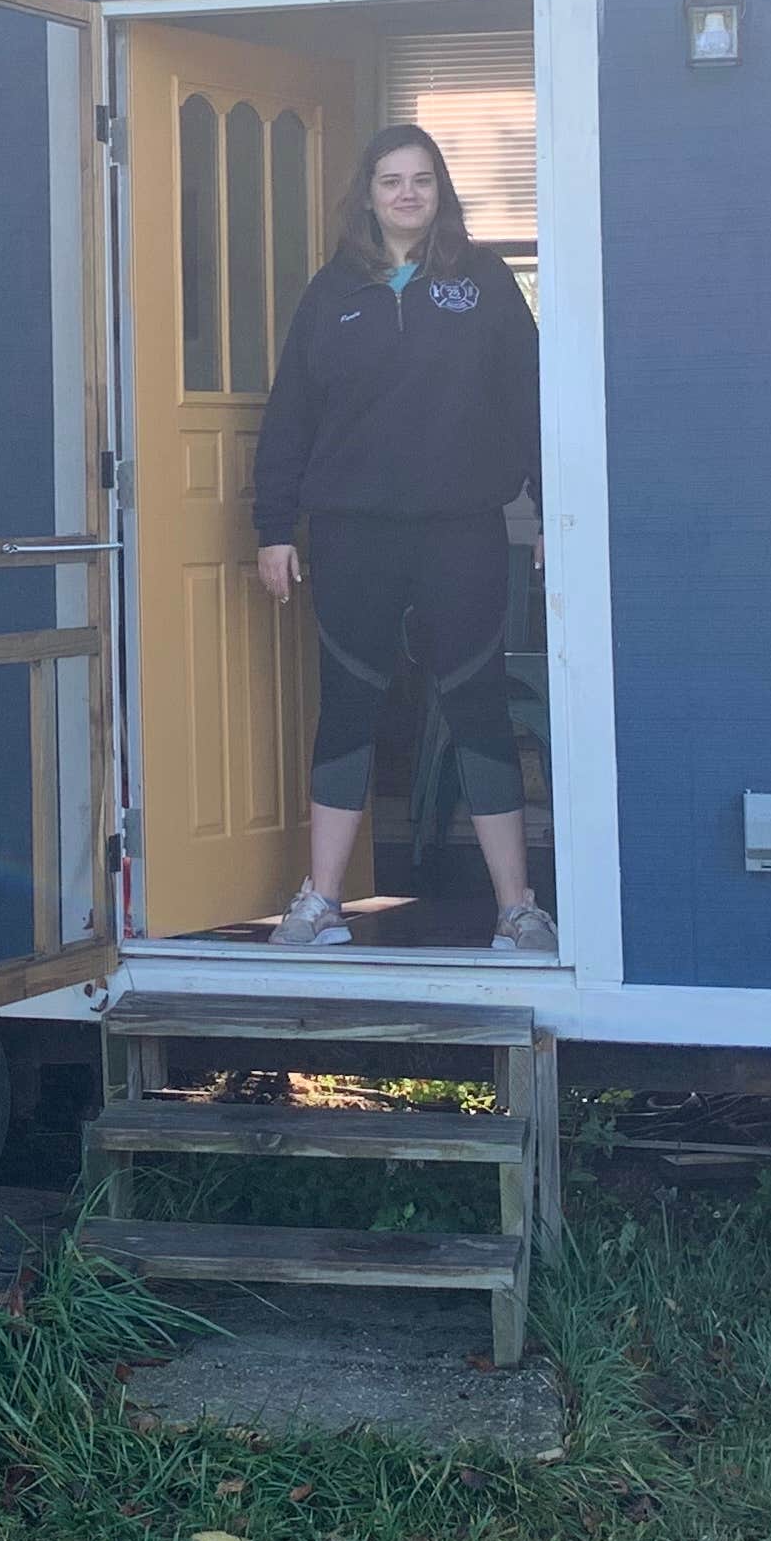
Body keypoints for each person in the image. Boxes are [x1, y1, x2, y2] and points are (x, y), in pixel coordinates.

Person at [249, 124, 549, 953]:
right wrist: (275, 528)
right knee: (347, 704)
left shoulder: (484, 284)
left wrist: (551, 511)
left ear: (441, 191)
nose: (408, 194)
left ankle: (516, 909)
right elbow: (291, 418)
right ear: (368, 195)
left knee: (478, 703)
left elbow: (529, 398)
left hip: (462, 531)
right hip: (352, 534)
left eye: (422, 179)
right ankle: (320, 904)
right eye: (391, 181)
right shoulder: (332, 291)